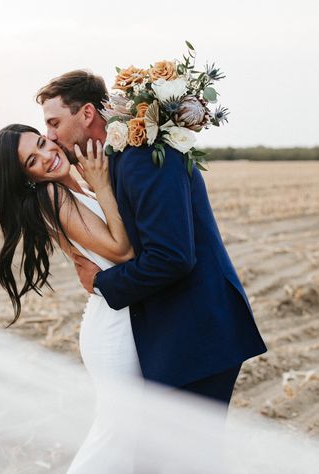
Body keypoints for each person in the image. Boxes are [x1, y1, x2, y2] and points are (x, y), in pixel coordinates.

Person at [36, 69, 268, 405]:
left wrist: (103, 284)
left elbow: (171, 257)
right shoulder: (117, 159)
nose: (51, 135)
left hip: (195, 336)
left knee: (187, 455)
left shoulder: (143, 156)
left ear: (87, 114)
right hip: (175, 336)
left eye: (54, 123)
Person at [0, 123, 143, 472]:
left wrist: (97, 184)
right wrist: (103, 185)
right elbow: (120, 250)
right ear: (26, 177)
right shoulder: (53, 196)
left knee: (130, 437)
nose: (46, 156)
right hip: (113, 331)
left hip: (123, 319)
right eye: (32, 159)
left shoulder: (74, 186)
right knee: (115, 435)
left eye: (42, 143)